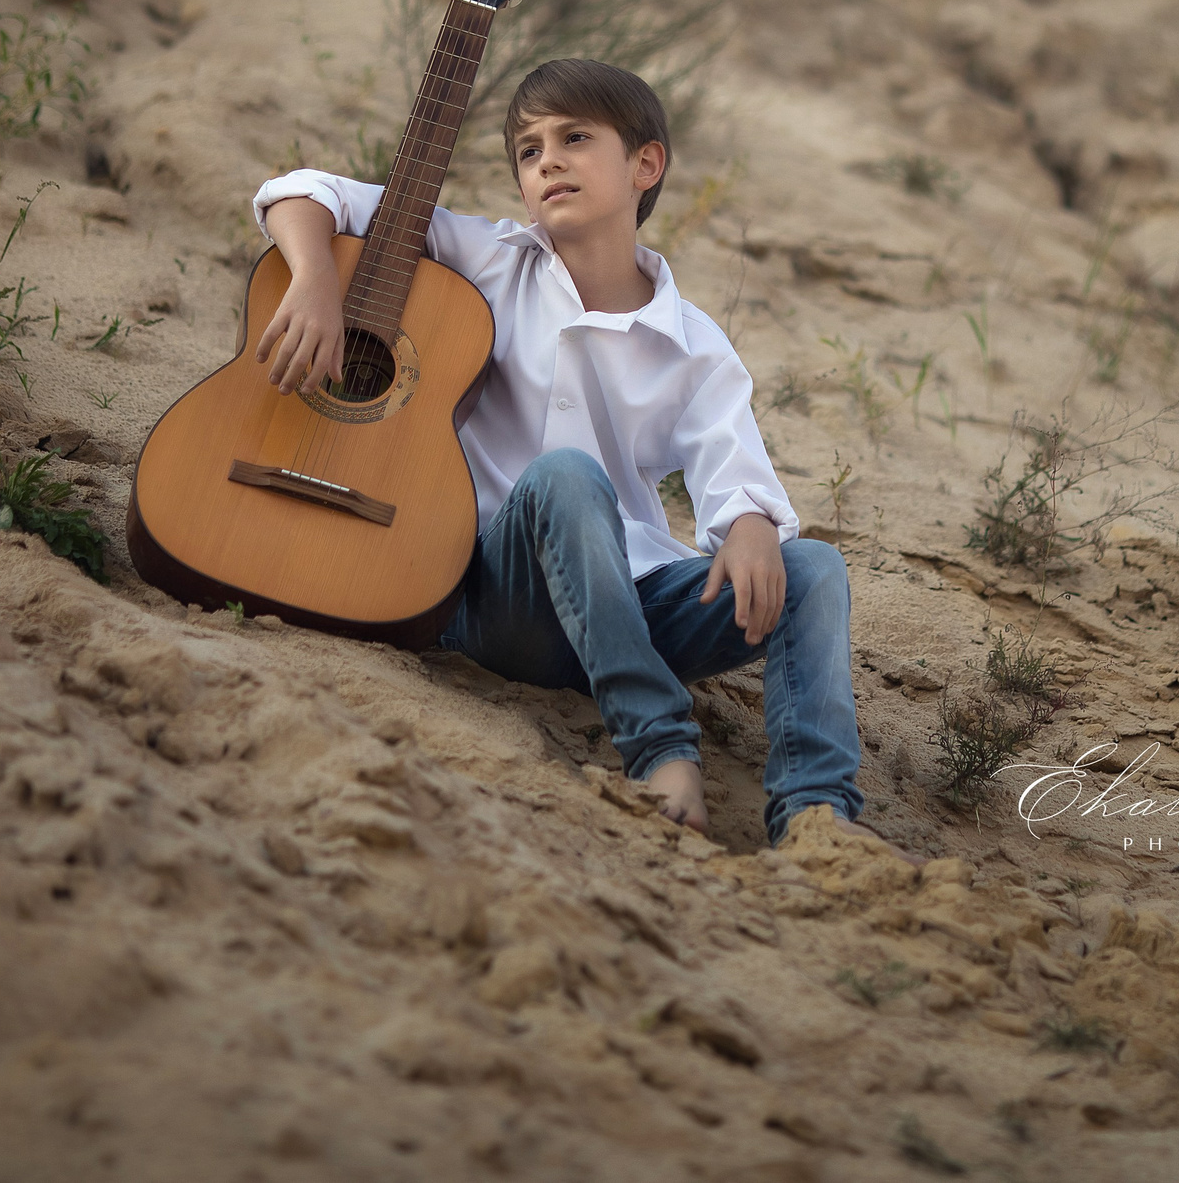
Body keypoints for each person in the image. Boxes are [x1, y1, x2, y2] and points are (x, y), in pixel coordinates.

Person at [250, 59, 907, 855]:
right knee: (565, 475)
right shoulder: (490, 258)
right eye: (528, 151)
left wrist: (750, 523)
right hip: (497, 597)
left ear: (646, 164)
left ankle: (816, 813)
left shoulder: (693, 341)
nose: (547, 160)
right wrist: (318, 275)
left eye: (574, 137)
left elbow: (735, 474)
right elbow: (303, 190)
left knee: (814, 570)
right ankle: (661, 747)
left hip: (630, 604)